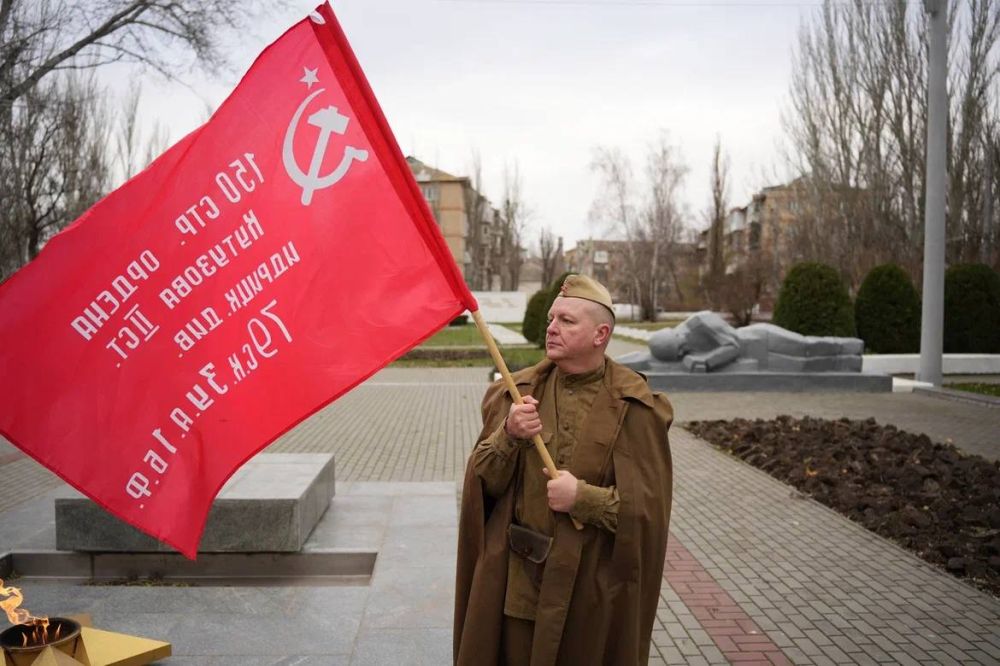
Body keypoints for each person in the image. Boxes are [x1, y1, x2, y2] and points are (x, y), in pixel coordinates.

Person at [454, 274, 674, 666]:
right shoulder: (515, 392)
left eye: (567, 321)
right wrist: (509, 434)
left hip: (589, 592)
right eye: (552, 318)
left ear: (600, 334)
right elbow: (480, 483)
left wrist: (583, 499)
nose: (551, 327)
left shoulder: (636, 406)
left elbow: (647, 513)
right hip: (519, 587)